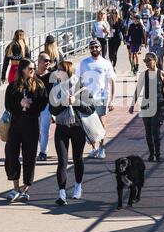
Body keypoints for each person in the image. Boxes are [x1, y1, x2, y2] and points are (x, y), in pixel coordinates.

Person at [49, 61, 95, 205]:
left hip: (77, 127)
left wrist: (76, 102)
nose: (58, 72)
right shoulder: (55, 87)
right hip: (62, 126)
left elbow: (91, 108)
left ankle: (78, 186)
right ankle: (61, 193)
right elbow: (52, 110)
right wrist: (63, 103)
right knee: (62, 161)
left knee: (77, 159)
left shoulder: (80, 85)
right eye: (57, 70)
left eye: (61, 70)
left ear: (69, 71)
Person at [4, 59, 48, 202]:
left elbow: (43, 103)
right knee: (11, 154)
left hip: (31, 124)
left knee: (29, 157)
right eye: (30, 68)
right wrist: (20, 104)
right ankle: (15, 187)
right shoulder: (12, 87)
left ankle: (26, 188)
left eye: (33, 68)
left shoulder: (39, 85)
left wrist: (30, 106)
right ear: (22, 69)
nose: (32, 70)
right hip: (16, 124)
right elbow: (8, 105)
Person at [129, 52, 164, 162]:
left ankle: (158, 154)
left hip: (159, 105)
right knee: (148, 132)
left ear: (155, 60)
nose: (147, 63)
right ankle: (151, 154)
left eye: (149, 60)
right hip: (146, 106)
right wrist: (132, 105)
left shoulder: (162, 75)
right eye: (145, 61)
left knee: (155, 130)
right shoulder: (143, 75)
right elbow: (138, 90)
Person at [77, 40, 116, 159]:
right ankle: (93, 148)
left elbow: (112, 81)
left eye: (96, 47)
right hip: (87, 98)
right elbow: (78, 80)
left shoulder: (106, 63)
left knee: (102, 124)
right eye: (91, 47)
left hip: (102, 97)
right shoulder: (84, 63)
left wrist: (112, 100)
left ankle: (102, 148)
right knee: (89, 125)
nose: (94, 49)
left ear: (100, 48)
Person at [36, 52, 54, 161]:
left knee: (44, 129)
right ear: (39, 62)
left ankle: (42, 152)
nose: (48, 62)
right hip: (34, 106)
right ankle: (43, 147)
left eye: (49, 60)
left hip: (47, 106)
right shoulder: (33, 75)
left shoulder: (52, 75)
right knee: (36, 130)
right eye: (45, 60)